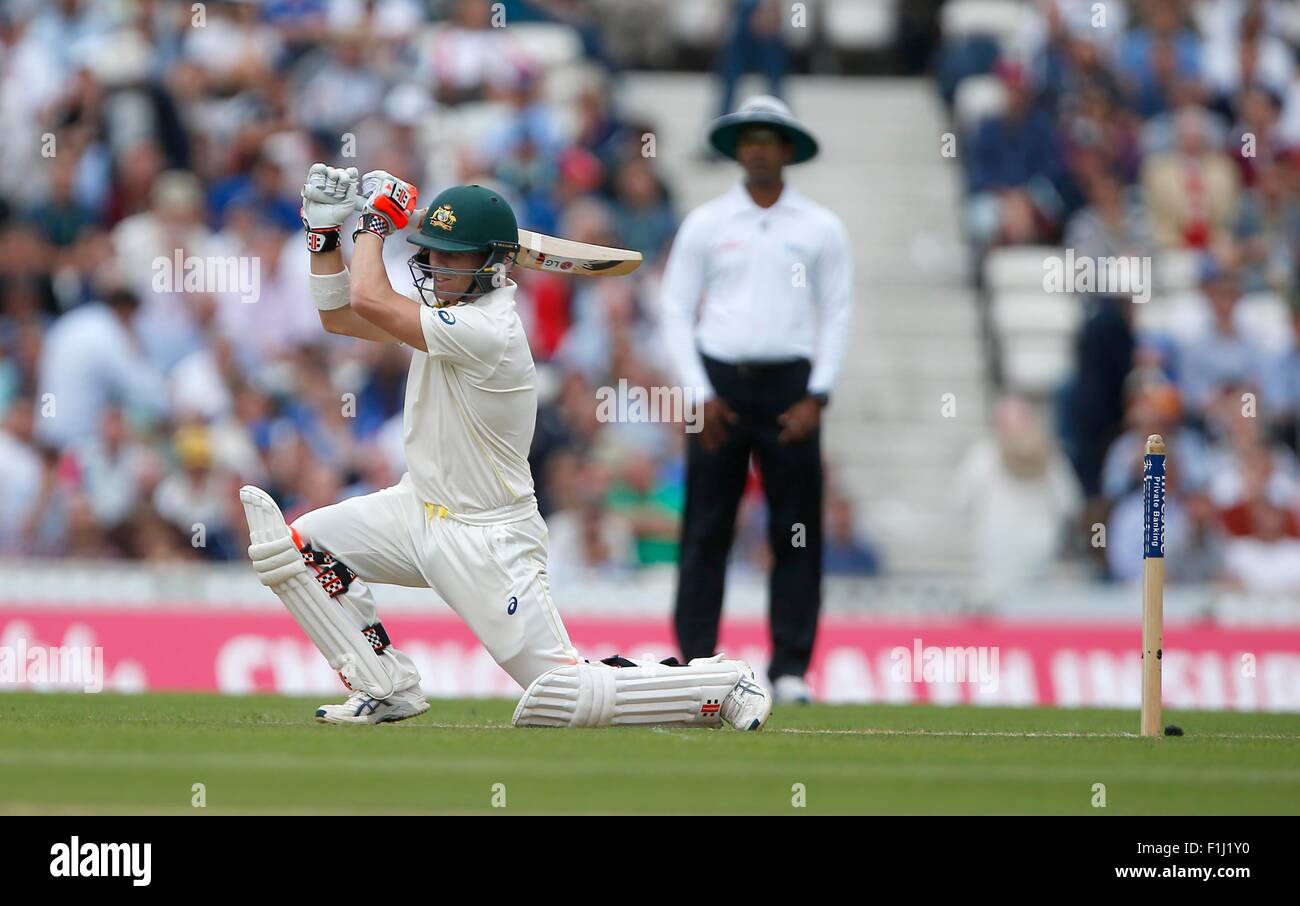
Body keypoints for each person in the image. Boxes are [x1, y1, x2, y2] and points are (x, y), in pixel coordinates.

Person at [238, 163, 772, 729]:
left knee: (562, 693)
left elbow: (368, 299)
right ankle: (383, 685)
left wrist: (372, 223)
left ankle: (718, 683)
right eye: (432, 254)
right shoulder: (447, 314)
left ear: (491, 264)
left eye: (452, 257)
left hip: (488, 537)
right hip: (414, 508)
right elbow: (339, 316)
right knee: (296, 550)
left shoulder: (488, 330)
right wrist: (321, 233)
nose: (436, 268)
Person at [660, 96, 853, 703]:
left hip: (791, 389)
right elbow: (672, 308)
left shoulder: (820, 227)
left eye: (771, 137)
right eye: (750, 138)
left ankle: (790, 667)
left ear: (788, 148)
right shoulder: (708, 223)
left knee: (796, 529)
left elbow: (838, 311)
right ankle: (696, 660)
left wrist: (818, 394)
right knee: (706, 526)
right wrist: (699, 393)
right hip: (721, 385)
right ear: (737, 150)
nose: (760, 148)